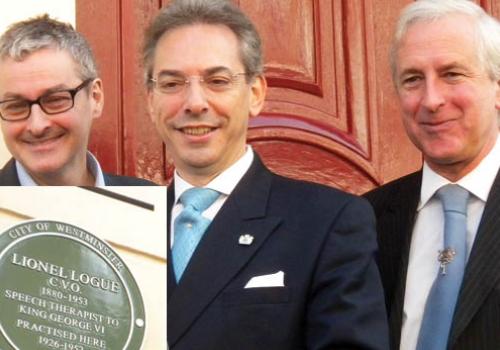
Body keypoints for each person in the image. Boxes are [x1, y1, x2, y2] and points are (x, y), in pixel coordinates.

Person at [145, 0, 389, 349]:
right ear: (150, 99)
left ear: (256, 94)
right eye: (171, 83)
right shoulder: (124, 227)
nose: (194, 102)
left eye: (217, 80)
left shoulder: (327, 222)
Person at [364, 1, 500, 349]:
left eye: (452, 74)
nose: (431, 100)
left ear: (497, 86)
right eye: (412, 79)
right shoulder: (365, 219)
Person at [0, 15, 155, 185]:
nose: (37, 126)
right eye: (16, 106)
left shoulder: (158, 207)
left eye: (55, 100)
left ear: (95, 97)